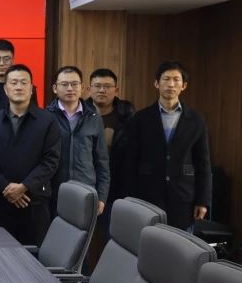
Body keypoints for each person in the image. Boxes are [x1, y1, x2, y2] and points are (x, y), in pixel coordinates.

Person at [120, 60, 212, 231]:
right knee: (148, 242)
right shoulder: (140, 118)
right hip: (147, 196)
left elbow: (203, 163)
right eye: (166, 79)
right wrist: (130, 197)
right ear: (157, 83)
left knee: (180, 245)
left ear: (184, 86)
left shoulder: (196, 120)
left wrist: (203, 200)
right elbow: (131, 161)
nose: (171, 84)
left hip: (183, 198)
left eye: (176, 80)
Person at [0, 64, 60, 246]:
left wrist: (24, 186)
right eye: (14, 83)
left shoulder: (47, 121)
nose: (18, 87)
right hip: (0, 203)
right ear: (5, 89)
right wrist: (6, 188)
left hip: (34, 203)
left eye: (23, 83)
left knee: (34, 256)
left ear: (31, 88)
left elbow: (51, 160)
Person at [48, 66, 110, 215]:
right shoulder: (46, 117)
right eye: (64, 84)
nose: (70, 88)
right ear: (55, 88)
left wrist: (102, 196)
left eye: (74, 84)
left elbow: (102, 161)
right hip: (54, 193)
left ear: (82, 87)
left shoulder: (94, 118)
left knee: (83, 230)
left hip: (86, 192)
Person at [87, 67, 135, 217]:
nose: (102, 90)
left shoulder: (127, 115)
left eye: (107, 86)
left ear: (116, 90)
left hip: (118, 186)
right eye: (97, 86)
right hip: (87, 183)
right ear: (89, 89)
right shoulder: (80, 114)